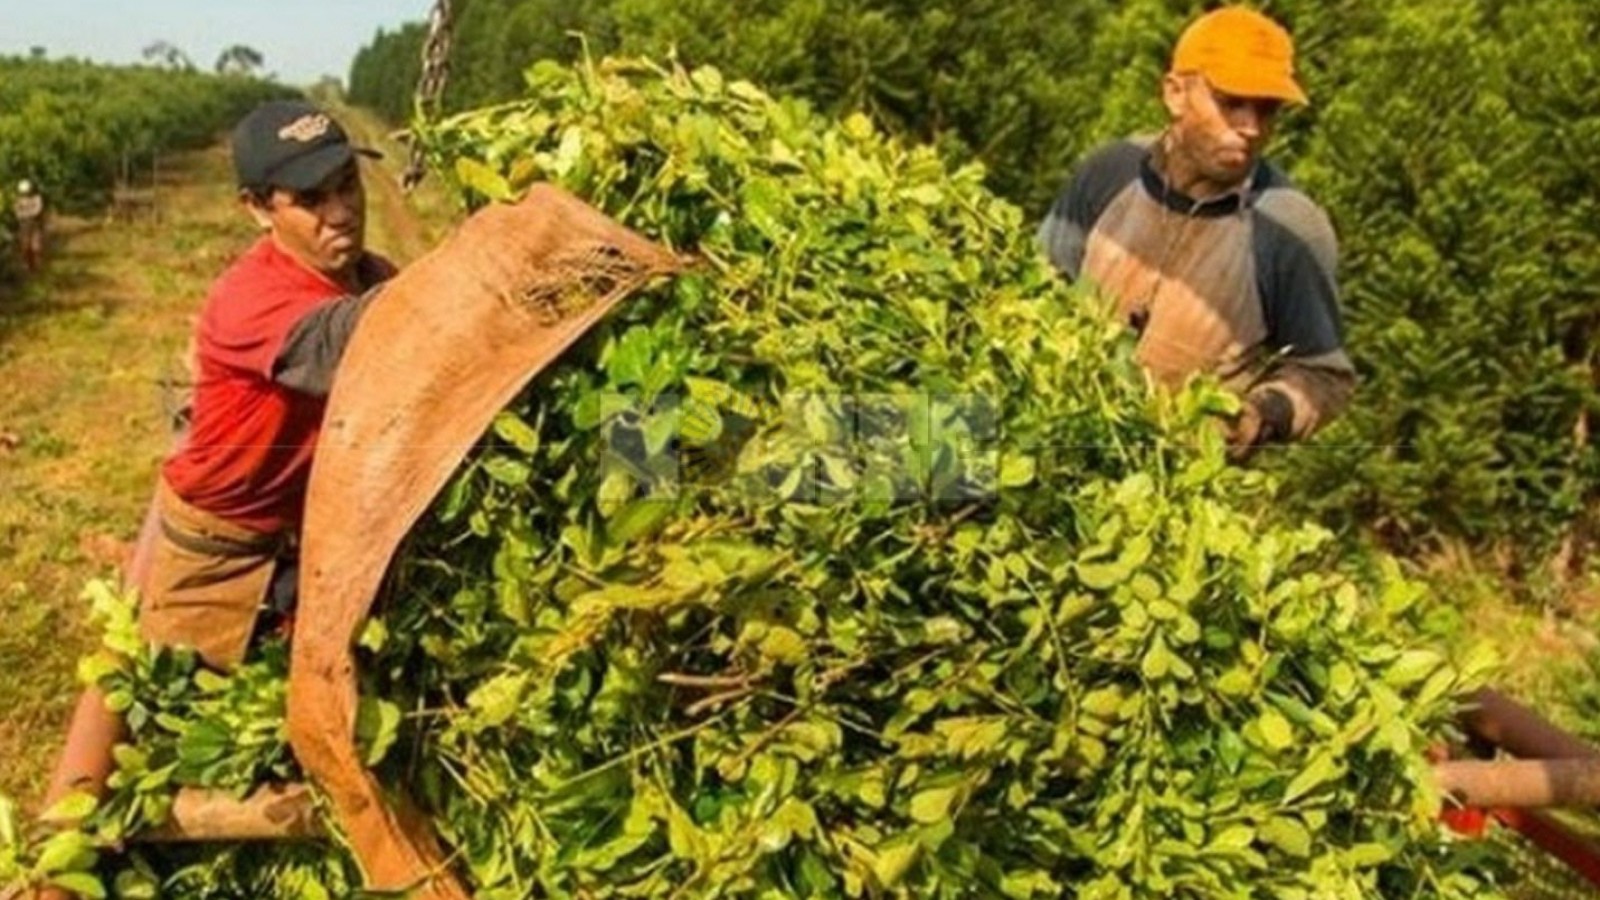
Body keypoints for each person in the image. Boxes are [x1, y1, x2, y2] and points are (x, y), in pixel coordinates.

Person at [27, 99, 394, 898]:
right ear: (258, 210)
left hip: (303, 545)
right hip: (215, 554)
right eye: (310, 198)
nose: (340, 212)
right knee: (135, 748)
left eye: (346, 186)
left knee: (327, 716)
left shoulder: (370, 278)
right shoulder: (255, 300)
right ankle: (63, 868)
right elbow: (363, 345)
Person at [1037, 5, 1354, 458]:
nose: (1250, 127)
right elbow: (1032, 291)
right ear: (1175, 94)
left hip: (1168, 479)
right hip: (1054, 440)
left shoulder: (1290, 229)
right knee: (930, 439)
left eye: (1266, 110)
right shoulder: (1110, 172)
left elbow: (1326, 375)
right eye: (1231, 103)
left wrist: (1262, 413)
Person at [13, 180, 46, 273]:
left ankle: (39, 266)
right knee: (25, 247)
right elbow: (17, 212)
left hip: (35, 224)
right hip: (24, 225)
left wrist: (26, 214)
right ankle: (27, 265)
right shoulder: (18, 200)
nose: (26, 194)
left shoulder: (36, 198)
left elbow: (38, 210)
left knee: (36, 246)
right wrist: (25, 215)